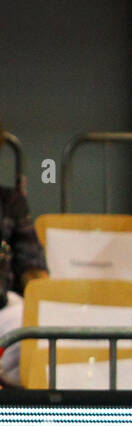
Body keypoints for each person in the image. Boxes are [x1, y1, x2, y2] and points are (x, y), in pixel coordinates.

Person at [0, 121, 48, 388]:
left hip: (2, 308)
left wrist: (46, 304)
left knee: (32, 326)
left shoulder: (10, 202)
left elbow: (33, 267)